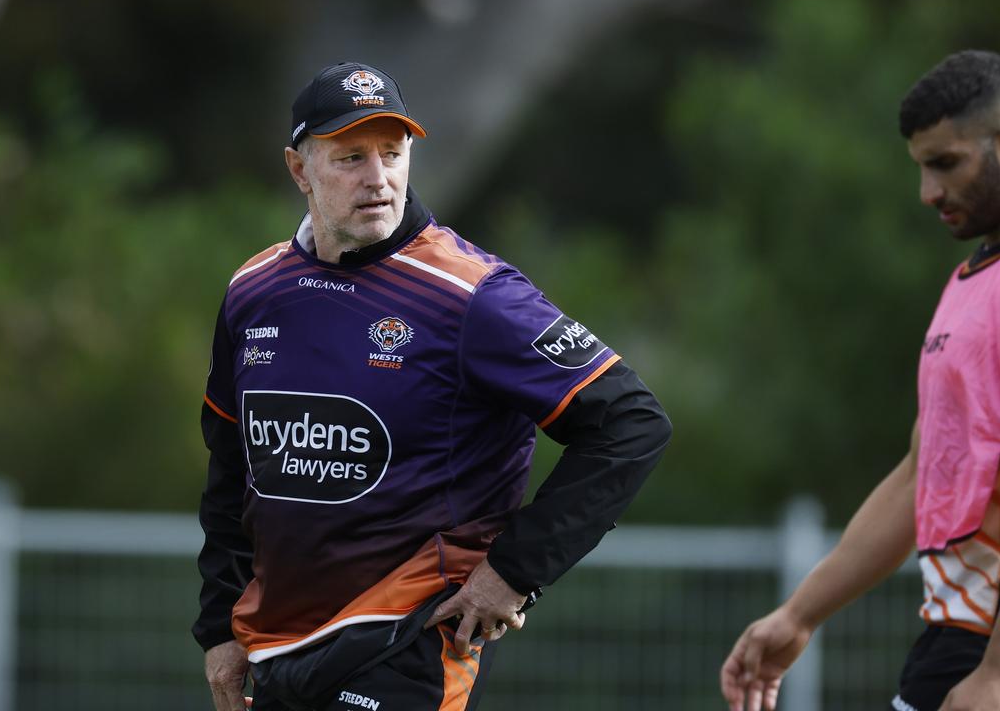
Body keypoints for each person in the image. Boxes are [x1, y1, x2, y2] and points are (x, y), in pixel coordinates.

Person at [194, 61, 671, 711]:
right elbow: (231, 472)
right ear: (300, 170)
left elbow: (631, 423)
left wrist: (513, 573)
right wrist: (221, 624)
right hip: (279, 648)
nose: (379, 177)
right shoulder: (254, 291)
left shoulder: (475, 296)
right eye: (351, 157)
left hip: (410, 641)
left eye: (393, 153)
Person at [720, 50, 1000, 711]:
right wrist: (799, 615)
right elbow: (922, 470)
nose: (929, 194)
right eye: (921, 168)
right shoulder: (975, 280)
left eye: (946, 164)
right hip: (958, 647)